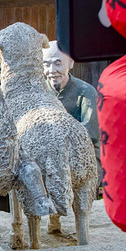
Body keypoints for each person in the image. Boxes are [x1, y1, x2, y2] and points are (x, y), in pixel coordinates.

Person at [42, 41, 101, 175]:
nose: (52, 70)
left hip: (81, 153)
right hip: (47, 156)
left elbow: (91, 134)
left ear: (71, 63)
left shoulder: (86, 92)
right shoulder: (39, 92)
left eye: (58, 63)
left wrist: (57, 142)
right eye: (46, 64)